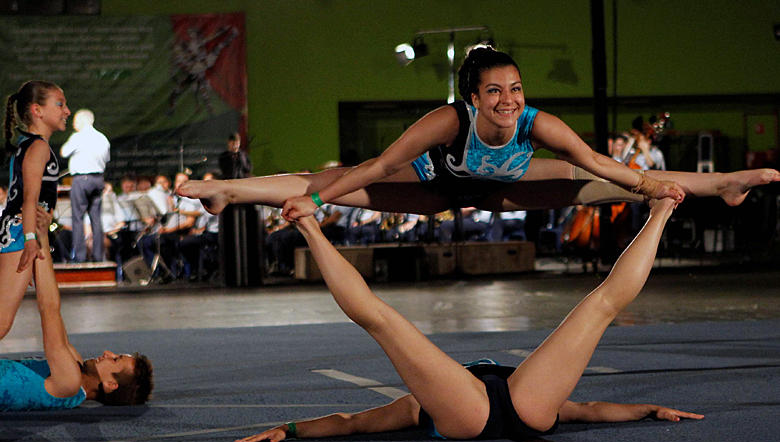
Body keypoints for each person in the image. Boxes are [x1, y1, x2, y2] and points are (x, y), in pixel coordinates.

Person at [235, 197, 702, 442]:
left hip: (474, 414)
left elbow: (351, 422)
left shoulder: (419, 402)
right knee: (601, 306)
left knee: (381, 319)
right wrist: (643, 410)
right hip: (525, 408)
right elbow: (591, 410)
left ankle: (309, 226)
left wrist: (294, 428)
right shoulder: (444, 395)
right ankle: (661, 211)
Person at [177, 45, 778, 226]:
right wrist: (314, 199)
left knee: (611, 181)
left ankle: (726, 184)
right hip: (433, 187)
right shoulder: (449, 122)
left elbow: (599, 159)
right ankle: (227, 191)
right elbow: (378, 166)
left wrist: (645, 184)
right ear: (473, 97)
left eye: (515, 88)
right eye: (495, 91)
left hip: (507, 187)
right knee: (333, 181)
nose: (508, 100)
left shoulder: (537, 123)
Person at [0, 208, 153, 411]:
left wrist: (40, 237)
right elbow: (52, 306)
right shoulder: (76, 366)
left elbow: (48, 309)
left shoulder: (70, 382)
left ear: (110, 385)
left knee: (3, 322)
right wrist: (41, 239)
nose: (107, 353)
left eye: (115, 359)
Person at [0, 80, 69, 341]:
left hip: (26, 231)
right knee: (2, 321)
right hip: (21, 232)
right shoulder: (38, 147)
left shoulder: (30, 144)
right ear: (37, 110)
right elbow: (28, 200)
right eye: (60, 104)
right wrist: (29, 240)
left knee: (49, 307)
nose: (66, 111)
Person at [60, 108, 110, 263]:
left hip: (82, 179)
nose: (73, 124)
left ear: (82, 121)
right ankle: (98, 256)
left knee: (78, 218)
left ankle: (80, 257)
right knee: (96, 219)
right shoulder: (102, 138)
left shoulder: (78, 137)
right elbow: (106, 159)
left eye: (75, 121)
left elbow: (63, 152)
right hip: (98, 179)